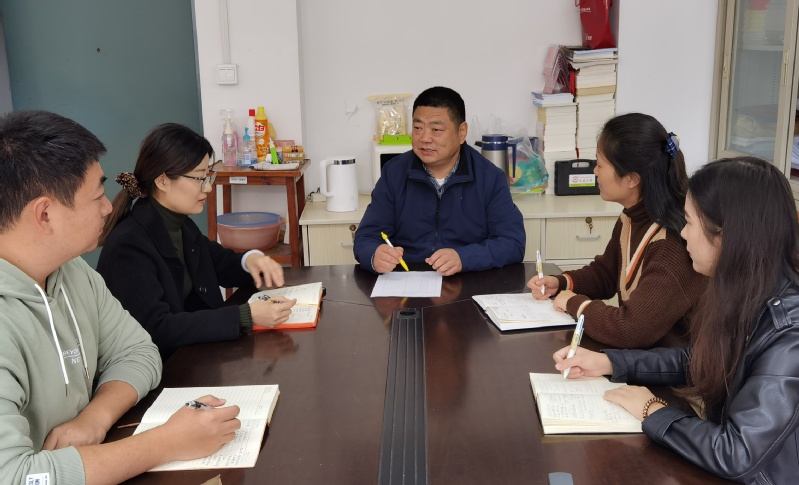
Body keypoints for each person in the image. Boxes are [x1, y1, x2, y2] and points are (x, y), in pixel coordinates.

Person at [0, 110, 241, 484]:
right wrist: (166, 443)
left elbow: (139, 351)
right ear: (45, 214)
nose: (108, 207)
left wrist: (95, 417)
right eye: (96, 196)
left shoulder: (72, 271)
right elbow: (15, 476)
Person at [554, 157, 799, 484]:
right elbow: (700, 360)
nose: (682, 234)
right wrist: (610, 362)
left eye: (689, 223)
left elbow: (738, 454)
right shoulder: (746, 291)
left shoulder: (790, 331)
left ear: (725, 235)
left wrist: (651, 409)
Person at [97, 123, 296, 359]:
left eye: (208, 176)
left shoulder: (179, 224)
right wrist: (246, 315)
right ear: (162, 181)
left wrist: (252, 260)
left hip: (193, 357)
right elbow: (156, 329)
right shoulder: (129, 244)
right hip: (161, 370)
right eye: (200, 178)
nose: (208, 187)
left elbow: (220, 263)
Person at [528, 113, 706, 348]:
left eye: (600, 165)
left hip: (672, 366)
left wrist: (575, 303)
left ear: (631, 179)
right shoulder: (632, 216)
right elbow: (607, 274)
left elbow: (629, 329)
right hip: (641, 357)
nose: (595, 172)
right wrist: (561, 283)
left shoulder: (670, 246)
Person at [353, 86, 525, 276]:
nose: (425, 138)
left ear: (461, 132)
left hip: (467, 280)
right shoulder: (394, 172)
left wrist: (463, 258)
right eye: (418, 128)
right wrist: (374, 254)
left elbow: (512, 243)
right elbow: (366, 237)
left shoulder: (489, 177)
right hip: (406, 281)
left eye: (436, 129)